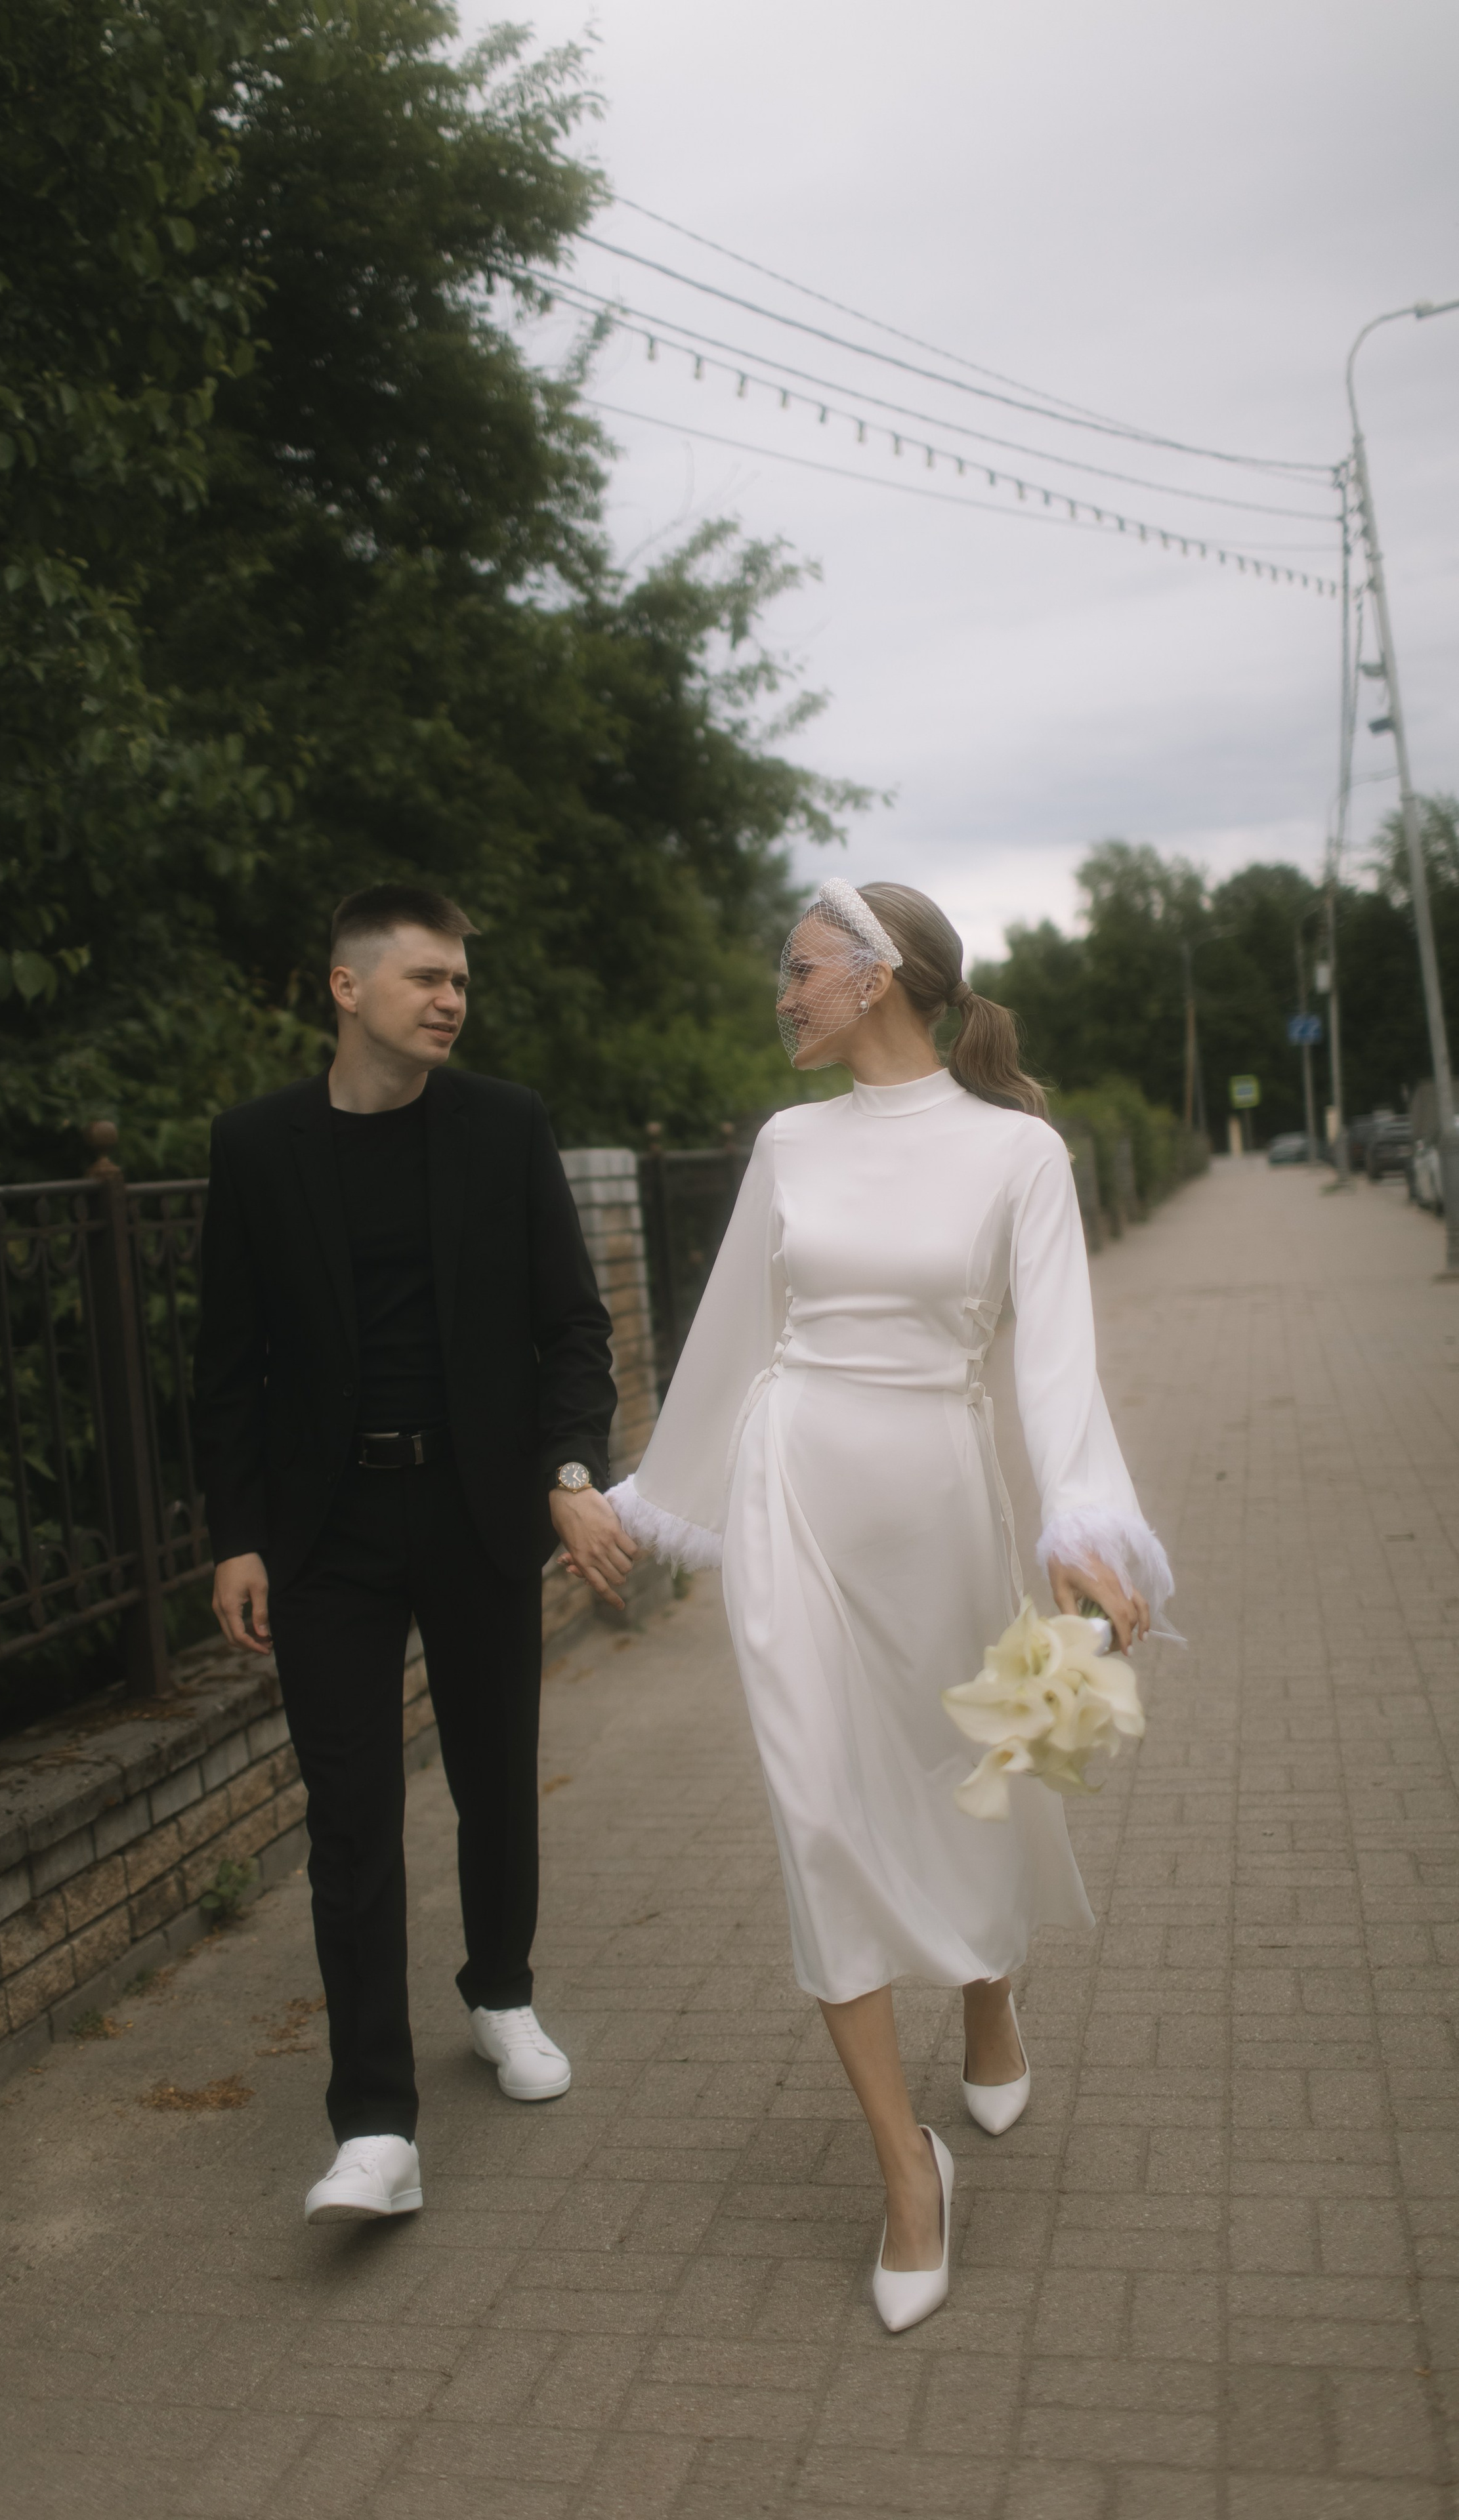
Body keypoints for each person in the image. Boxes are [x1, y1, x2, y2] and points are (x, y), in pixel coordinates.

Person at [606, 878, 1174, 2332]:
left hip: (937, 1498)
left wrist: (1081, 1523)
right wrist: (644, 1497)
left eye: (799, 969)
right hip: (791, 1491)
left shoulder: (1018, 1153)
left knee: (967, 1769)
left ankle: (988, 1992)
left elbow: (1054, 1363)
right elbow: (730, 1337)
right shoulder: (786, 1143)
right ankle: (904, 2169)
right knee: (818, 1816)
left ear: (877, 977)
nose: (780, 994)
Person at [193, 882, 637, 2225]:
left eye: (460, 981)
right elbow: (226, 1361)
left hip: (475, 1508)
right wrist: (235, 1535)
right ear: (347, 988)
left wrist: (568, 1473)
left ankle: (499, 1992)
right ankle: (375, 2123)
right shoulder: (256, 1146)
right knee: (349, 1818)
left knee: (494, 1778)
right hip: (325, 1530)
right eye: (426, 978)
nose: (452, 999)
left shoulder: (503, 1126)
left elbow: (573, 1329)